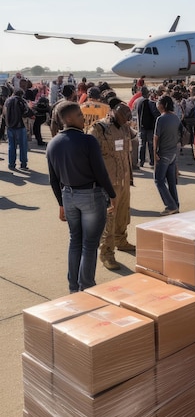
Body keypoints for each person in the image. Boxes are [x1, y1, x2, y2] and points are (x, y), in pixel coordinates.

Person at [46, 102, 117, 292]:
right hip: (91, 196)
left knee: (75, 241)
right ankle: (86, 286)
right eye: (79, 115)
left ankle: (73, 287)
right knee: (89, 244)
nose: (83, 117)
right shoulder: (87, 141)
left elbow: (53, 180)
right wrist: (112, 194)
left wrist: (61, 204)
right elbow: (101, 172)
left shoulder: (53, 143)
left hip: (68, 196)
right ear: (68, 119)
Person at [89, 99, 137, 270]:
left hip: (123, 179)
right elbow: (89, 155)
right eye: (124, 117)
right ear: (114, 112)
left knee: (123, 215)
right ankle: (107, 253)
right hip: (108, 183)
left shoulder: (125, 127)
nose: (126, 120)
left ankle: (121, 240)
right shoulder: (99, 128)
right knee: (109, 220)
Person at [153, 95, 181, 215]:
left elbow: (155, 138)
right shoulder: (175, 118)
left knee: (159, 180)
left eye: (158, 103)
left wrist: (154, 153)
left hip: (163, 153)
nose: (157, 105)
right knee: (171, 181)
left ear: (163, 105)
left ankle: (171, 205)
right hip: (173, 153)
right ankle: (175, 204)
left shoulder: (161, 119)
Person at [3, 88, 34, 170]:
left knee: (11, 146)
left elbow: (4, 114)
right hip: (20, 126)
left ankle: (11, 164)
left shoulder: (7, 101)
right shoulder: (21, 101)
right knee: (23, 146)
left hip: (9, 127)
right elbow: (26, 112)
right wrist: (31, 110)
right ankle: (23, 164)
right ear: (21, 94)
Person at [134, 87, 158, 167]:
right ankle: (152, 161)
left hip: (141, 126)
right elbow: (155, 114)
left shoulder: (137, 101)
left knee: (142, 144)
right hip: (149, 127)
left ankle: (141, 161)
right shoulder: (150, 102)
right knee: (151, 145)